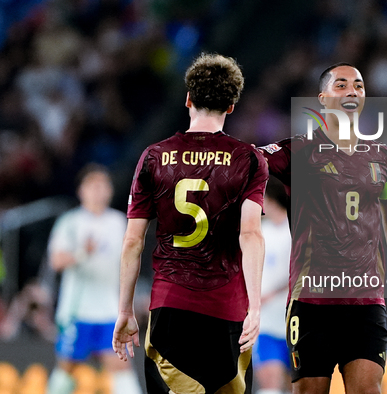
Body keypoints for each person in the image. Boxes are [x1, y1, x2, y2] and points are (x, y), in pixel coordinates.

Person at [112, 53, 268, 394]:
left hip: (171, 307)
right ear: (231, 106)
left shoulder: (154, 157)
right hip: (229, 309)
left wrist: (125, 310)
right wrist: (255, 307)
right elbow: (251, 234)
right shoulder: (248, 159)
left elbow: (133, 242)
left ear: (188, 100)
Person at [259, 63, 387, 394]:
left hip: (366, 301)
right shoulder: (297, 151)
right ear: (323, 99)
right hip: (312, 302)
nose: (352, 91)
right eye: (341, 85)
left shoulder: (382, 157)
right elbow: (246, 163)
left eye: (358, 85)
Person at [46, 164, 142, 394]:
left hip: (109, 310)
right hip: (77, 310)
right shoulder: (70, 222)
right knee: (67, 369)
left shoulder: (120, 222)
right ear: (81, 190)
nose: (99, 189)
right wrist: (81, 253)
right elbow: (56, 261)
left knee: (121, 367)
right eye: (93, 184)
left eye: (104, 184)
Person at [254, 180, 291, 394]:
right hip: (266, 322)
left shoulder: (296, 229)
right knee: (270, 383)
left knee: (298, 385)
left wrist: (272, 293)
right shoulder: (260, 231)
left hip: (293, 321)